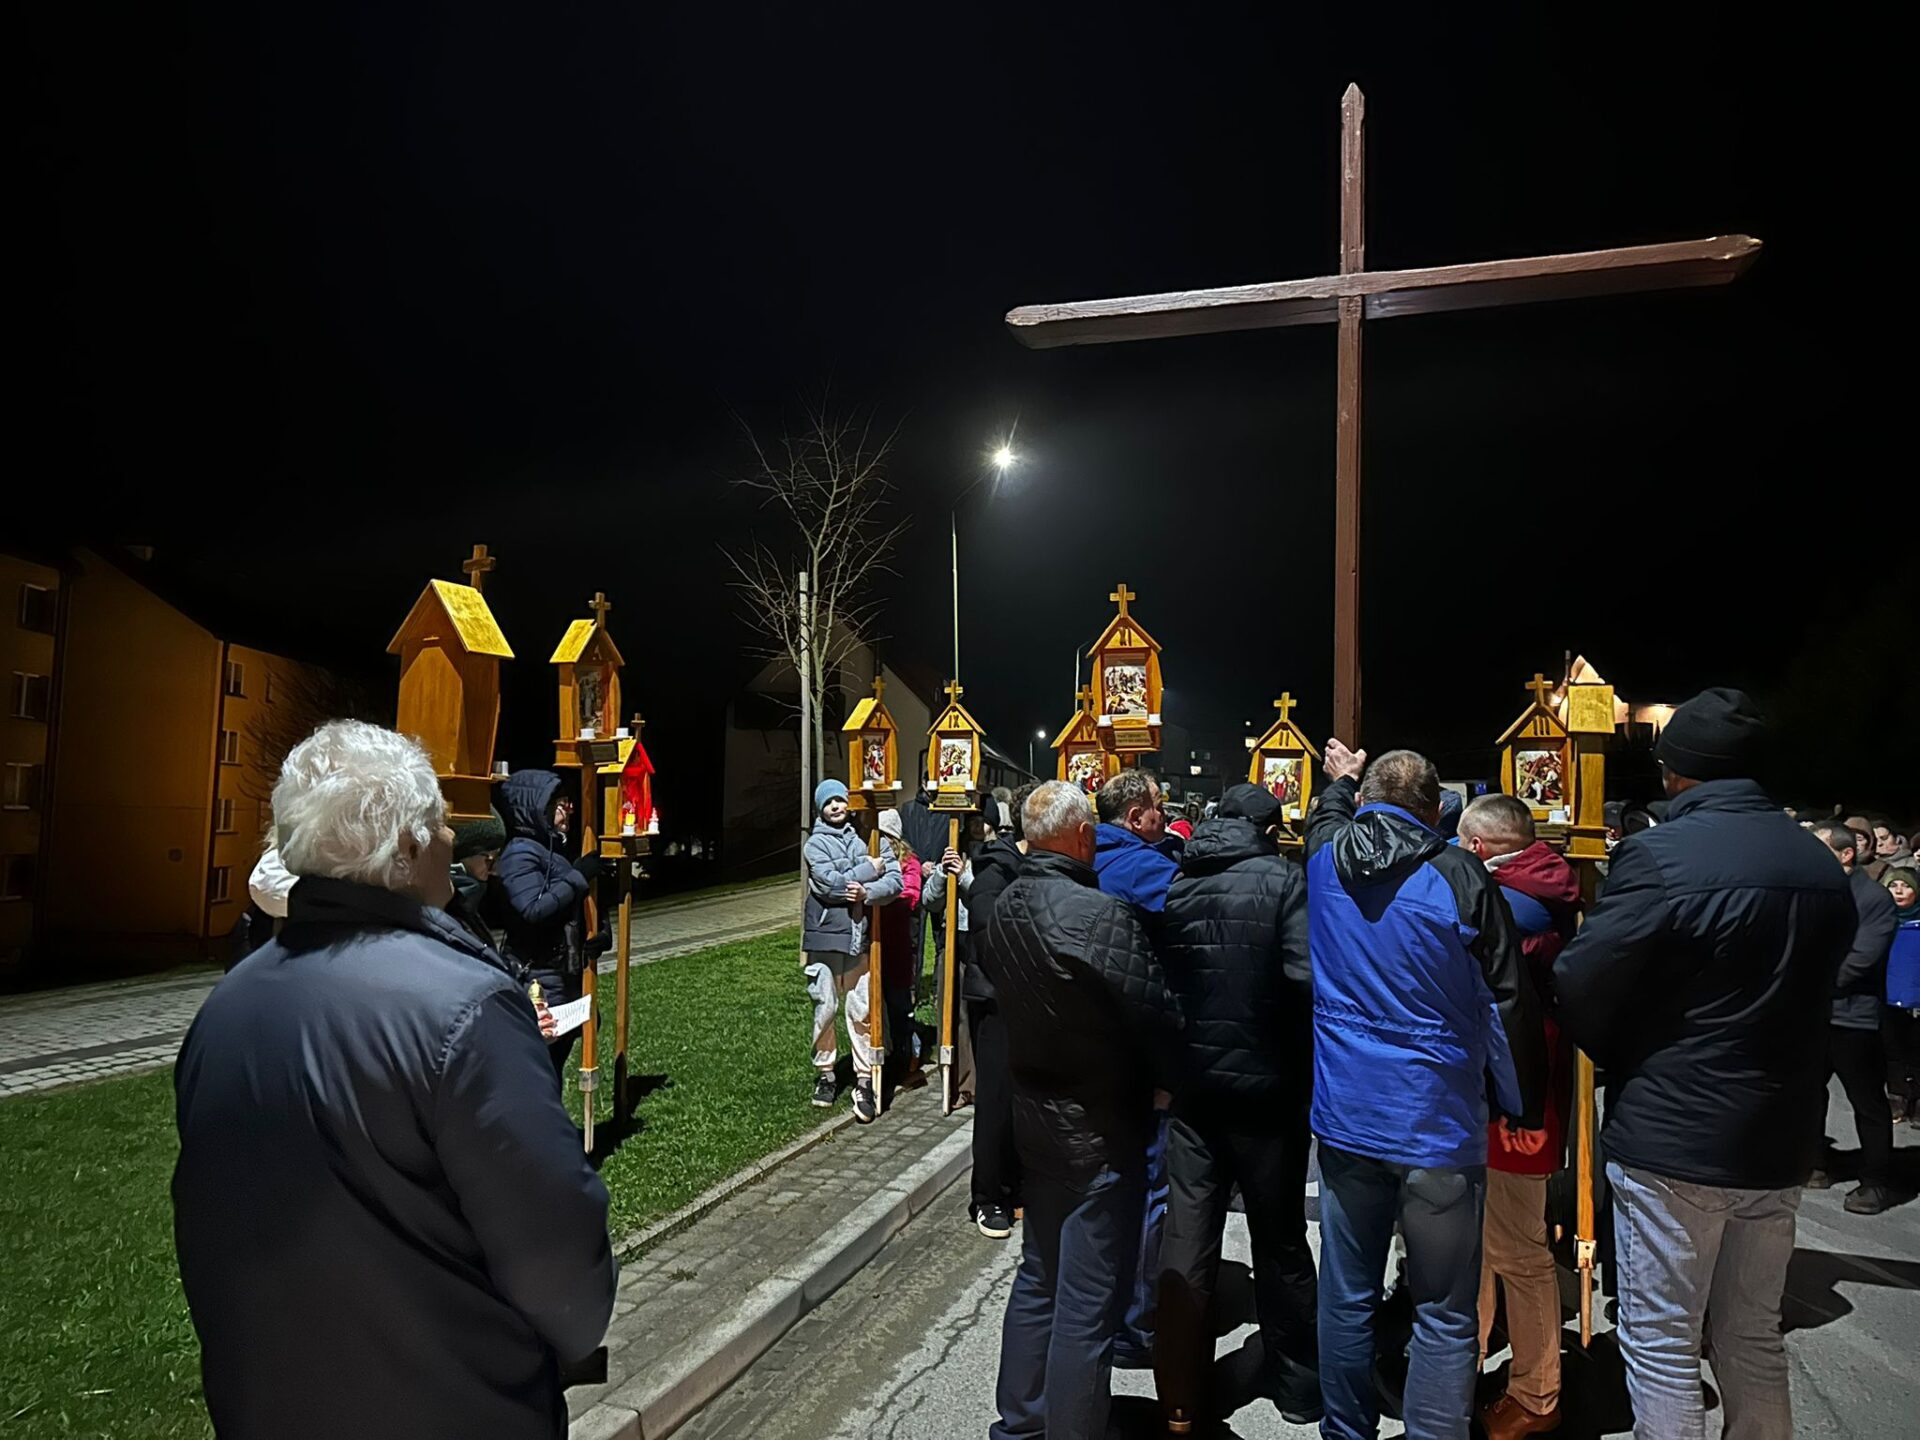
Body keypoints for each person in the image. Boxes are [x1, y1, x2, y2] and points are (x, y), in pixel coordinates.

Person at [173, 721, 615, 1440]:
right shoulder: (465, 1005)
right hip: (456, 1410)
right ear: (406, 847)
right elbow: (558, 1258)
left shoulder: (226, 1008)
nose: (452, 836)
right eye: (439, 820)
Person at [1554, 688, 1855, 1440]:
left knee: (1662, 1340)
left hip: (1675, 1134)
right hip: (1781, 1131)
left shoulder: (1662, 854)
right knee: (1751, 1335)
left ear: (1676, 770)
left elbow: (1582, 978)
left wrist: (1629, 1057)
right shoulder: (1819, 862)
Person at [1306, 741, 1545, 1440]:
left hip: (1349, 1113)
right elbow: (1505, 1002)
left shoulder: (1323, 858)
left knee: (1346, 1294)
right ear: (1438, 809)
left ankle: (1345, 1431)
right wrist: (1520, 1104)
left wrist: (1341, 781)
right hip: (1436, 1120)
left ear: (1363, 802)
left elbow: (1324, 816)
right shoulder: (1460, 876)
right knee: (1443, 1308)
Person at [981, 781, 1183, 1440]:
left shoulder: (1005, 905)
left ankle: (1020, 1424)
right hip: (1098, 1124)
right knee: (1088, 1305)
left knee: (1039, 1276)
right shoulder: (1097, 915)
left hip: (1036, 1118)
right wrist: (1167, 1081)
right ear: (1081, 836)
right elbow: (1157, 1013)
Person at [1153, 782, 1320, 1429]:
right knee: (1279, 1241)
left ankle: (1181, 1398)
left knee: (1188, 1239)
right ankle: (1297, 1387)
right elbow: (1305, 981)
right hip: (1268, 1094)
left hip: (1195, 1092)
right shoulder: (1283, 881)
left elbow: (1167, 982)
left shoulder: (1181, 884)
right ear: (1270, 831)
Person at [1457, 795, 1582, 1440]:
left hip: (1515, 1096)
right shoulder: (1541, 883)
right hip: (1509, 1089)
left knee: (1517, 1247)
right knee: (1480, 1242)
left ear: (1478, 847)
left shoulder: (1511, 906)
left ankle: (1536, 1393)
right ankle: (1464, 1367)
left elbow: (1502, 1008)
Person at [1807, 819, 1902, 1213]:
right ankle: (1815, 1162)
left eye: (1820, 849)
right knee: (1808, 1093)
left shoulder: (1873, 899)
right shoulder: (1816, 892)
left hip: (1855, 1018)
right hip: (1816, 1014)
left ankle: (1877, 1180)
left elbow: (1862, 959)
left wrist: (1807, 982)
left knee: (1867, 1103)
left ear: (1846, 854)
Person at [803, 779, 902, 1123]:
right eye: (828, 802)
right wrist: (868, 870)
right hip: (825, 937)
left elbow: (894, 880)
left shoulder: (869, 837)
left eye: (840, 800)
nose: (836, 807)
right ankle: (826, 1072)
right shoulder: (815, 844)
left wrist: (866, 893)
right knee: (825, 1006)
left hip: (859, 936)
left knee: (862, 1008)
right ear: (820, 809)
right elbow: (828, 884)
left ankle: (864, 1078)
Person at [497, 770, 606, 1079]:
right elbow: (532, 908)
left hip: (564, 975)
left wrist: (600, 933)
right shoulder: (519, 853)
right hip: (538, 978)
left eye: (568, 802)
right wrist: (577, 877)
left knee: (555, 1063)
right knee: (538, 1068)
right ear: (537, 807)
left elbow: (574, 906)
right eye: (559, 803)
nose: (568, 810)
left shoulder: (554, 850)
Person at [963, 782, 1033, 1239]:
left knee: (1025, 1100)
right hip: (996, 999)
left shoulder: (1040, 865)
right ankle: (987, 1196)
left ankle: (1016, 1184)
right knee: (996, 1102)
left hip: (1030, 998)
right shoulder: (996, 867)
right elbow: (987, 922)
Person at [875, 807, 925, 1094]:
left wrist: (885, 895)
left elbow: (911, 894)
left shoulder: (909, 863)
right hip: (875, 941)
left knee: (898, 1002)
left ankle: (908, 1059)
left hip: (899, 941)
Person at [1093, 768, 1180, 914]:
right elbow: (1199, 907)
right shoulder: (1147, 867)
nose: (1165, 815)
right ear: (1136, 819)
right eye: (1159, 807)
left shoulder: (1086, 853)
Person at [1884, 867, 1920, 1127]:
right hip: (1888, 995)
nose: (1898, 891)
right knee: (1892, 1050)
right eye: (1892, 885)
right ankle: (1897, 1097)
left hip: (1916, 996)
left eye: (1905, 885)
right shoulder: (1881, 919)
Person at [448, 806, 508, 947]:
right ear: (460, 855)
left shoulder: (467, 904)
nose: (495, 871)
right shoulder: (446, 908)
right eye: (489, 860)